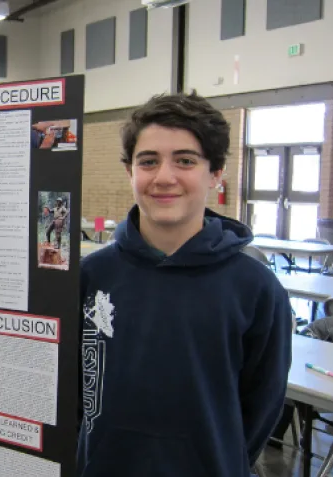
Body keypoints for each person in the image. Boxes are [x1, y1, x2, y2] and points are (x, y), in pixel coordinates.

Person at [77, 92, 292, 477]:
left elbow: (262, 406)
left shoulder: (256, 288)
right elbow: (73, 394)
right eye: (148, 161)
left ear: (215, 173)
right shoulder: (91, 276)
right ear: (130, 172)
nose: (164, 177)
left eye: (185, 160)